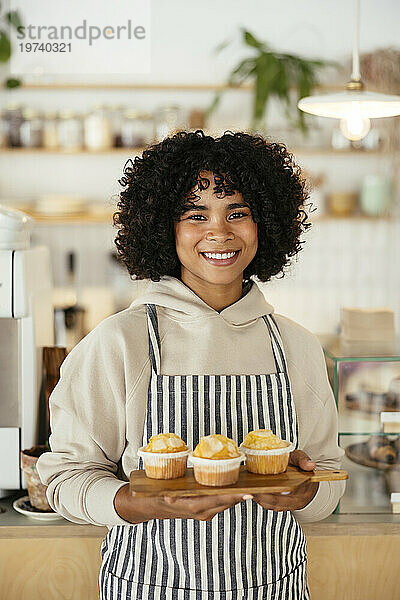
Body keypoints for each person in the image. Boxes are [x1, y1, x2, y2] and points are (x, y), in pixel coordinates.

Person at [37, 130, 345, 600]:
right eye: (195, 215)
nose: (219, 232)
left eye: (237, 213)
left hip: (274, 588)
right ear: (164, 227)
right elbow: (64, 476)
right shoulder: (120, 341)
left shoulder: (297, 346)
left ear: (266, 223)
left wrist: (309, 493)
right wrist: (132, 500)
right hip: (149, 586)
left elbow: (326, 474)